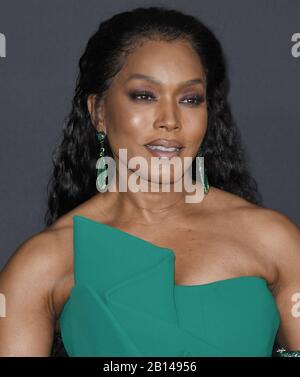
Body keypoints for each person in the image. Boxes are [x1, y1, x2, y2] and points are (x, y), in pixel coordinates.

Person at [0, 6, 299, 357]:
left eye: (190, 99)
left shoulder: (273, 240)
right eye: (145, 96)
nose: (170, 120)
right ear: (98, 111)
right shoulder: (43, 263)